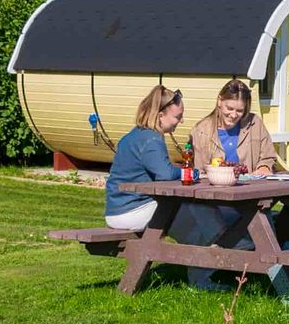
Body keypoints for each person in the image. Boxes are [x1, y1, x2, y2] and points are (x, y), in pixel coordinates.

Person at [104, 85, 193, 231]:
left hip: (116, 211)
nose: (181, 121)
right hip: (131, 212)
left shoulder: (134, 135)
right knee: (188, 207)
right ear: (160, 116)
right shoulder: (152, 140)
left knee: (182, 209)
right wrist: (192, 172)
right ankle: (219, 244)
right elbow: (166, 174)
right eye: (178, 116)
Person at [190, 79, 276, 174]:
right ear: (219, 101)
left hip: (250, 185)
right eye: (230, 108)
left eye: (239, 111)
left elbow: (268, 157)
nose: (234, 115)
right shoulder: (201, 130)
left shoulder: (255, 123)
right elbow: (199, 171)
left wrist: (264, 167)